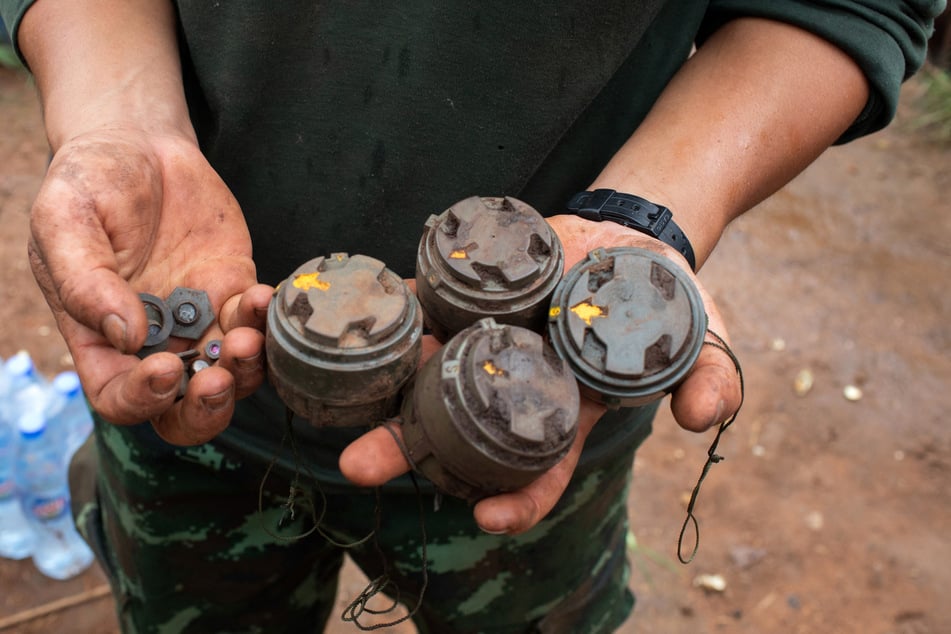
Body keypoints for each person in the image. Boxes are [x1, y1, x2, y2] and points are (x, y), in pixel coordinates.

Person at [0, 1, 942, 632]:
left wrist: (648, 214)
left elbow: (849, 5)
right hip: (201, 387)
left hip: (540, 423)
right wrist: (119, 117)